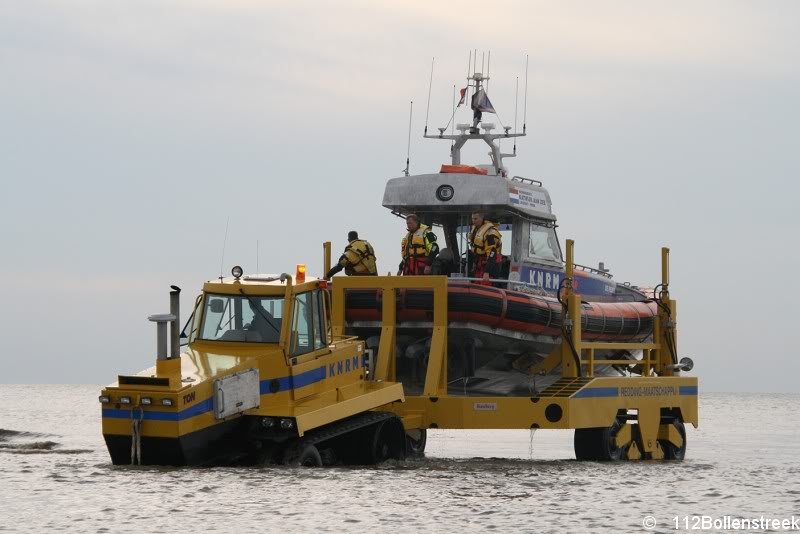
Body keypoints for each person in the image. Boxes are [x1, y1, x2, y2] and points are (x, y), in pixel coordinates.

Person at [468, 211, 503, 280]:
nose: (473, 221)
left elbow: (492, 253)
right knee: (476, 283)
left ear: (481, 218)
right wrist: (474, 263)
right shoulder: (476, 230)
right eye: (472, 219)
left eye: (475, 219)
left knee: (487, 284)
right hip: (480, 262)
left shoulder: (490, 233)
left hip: (491, 263)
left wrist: (487, 272)